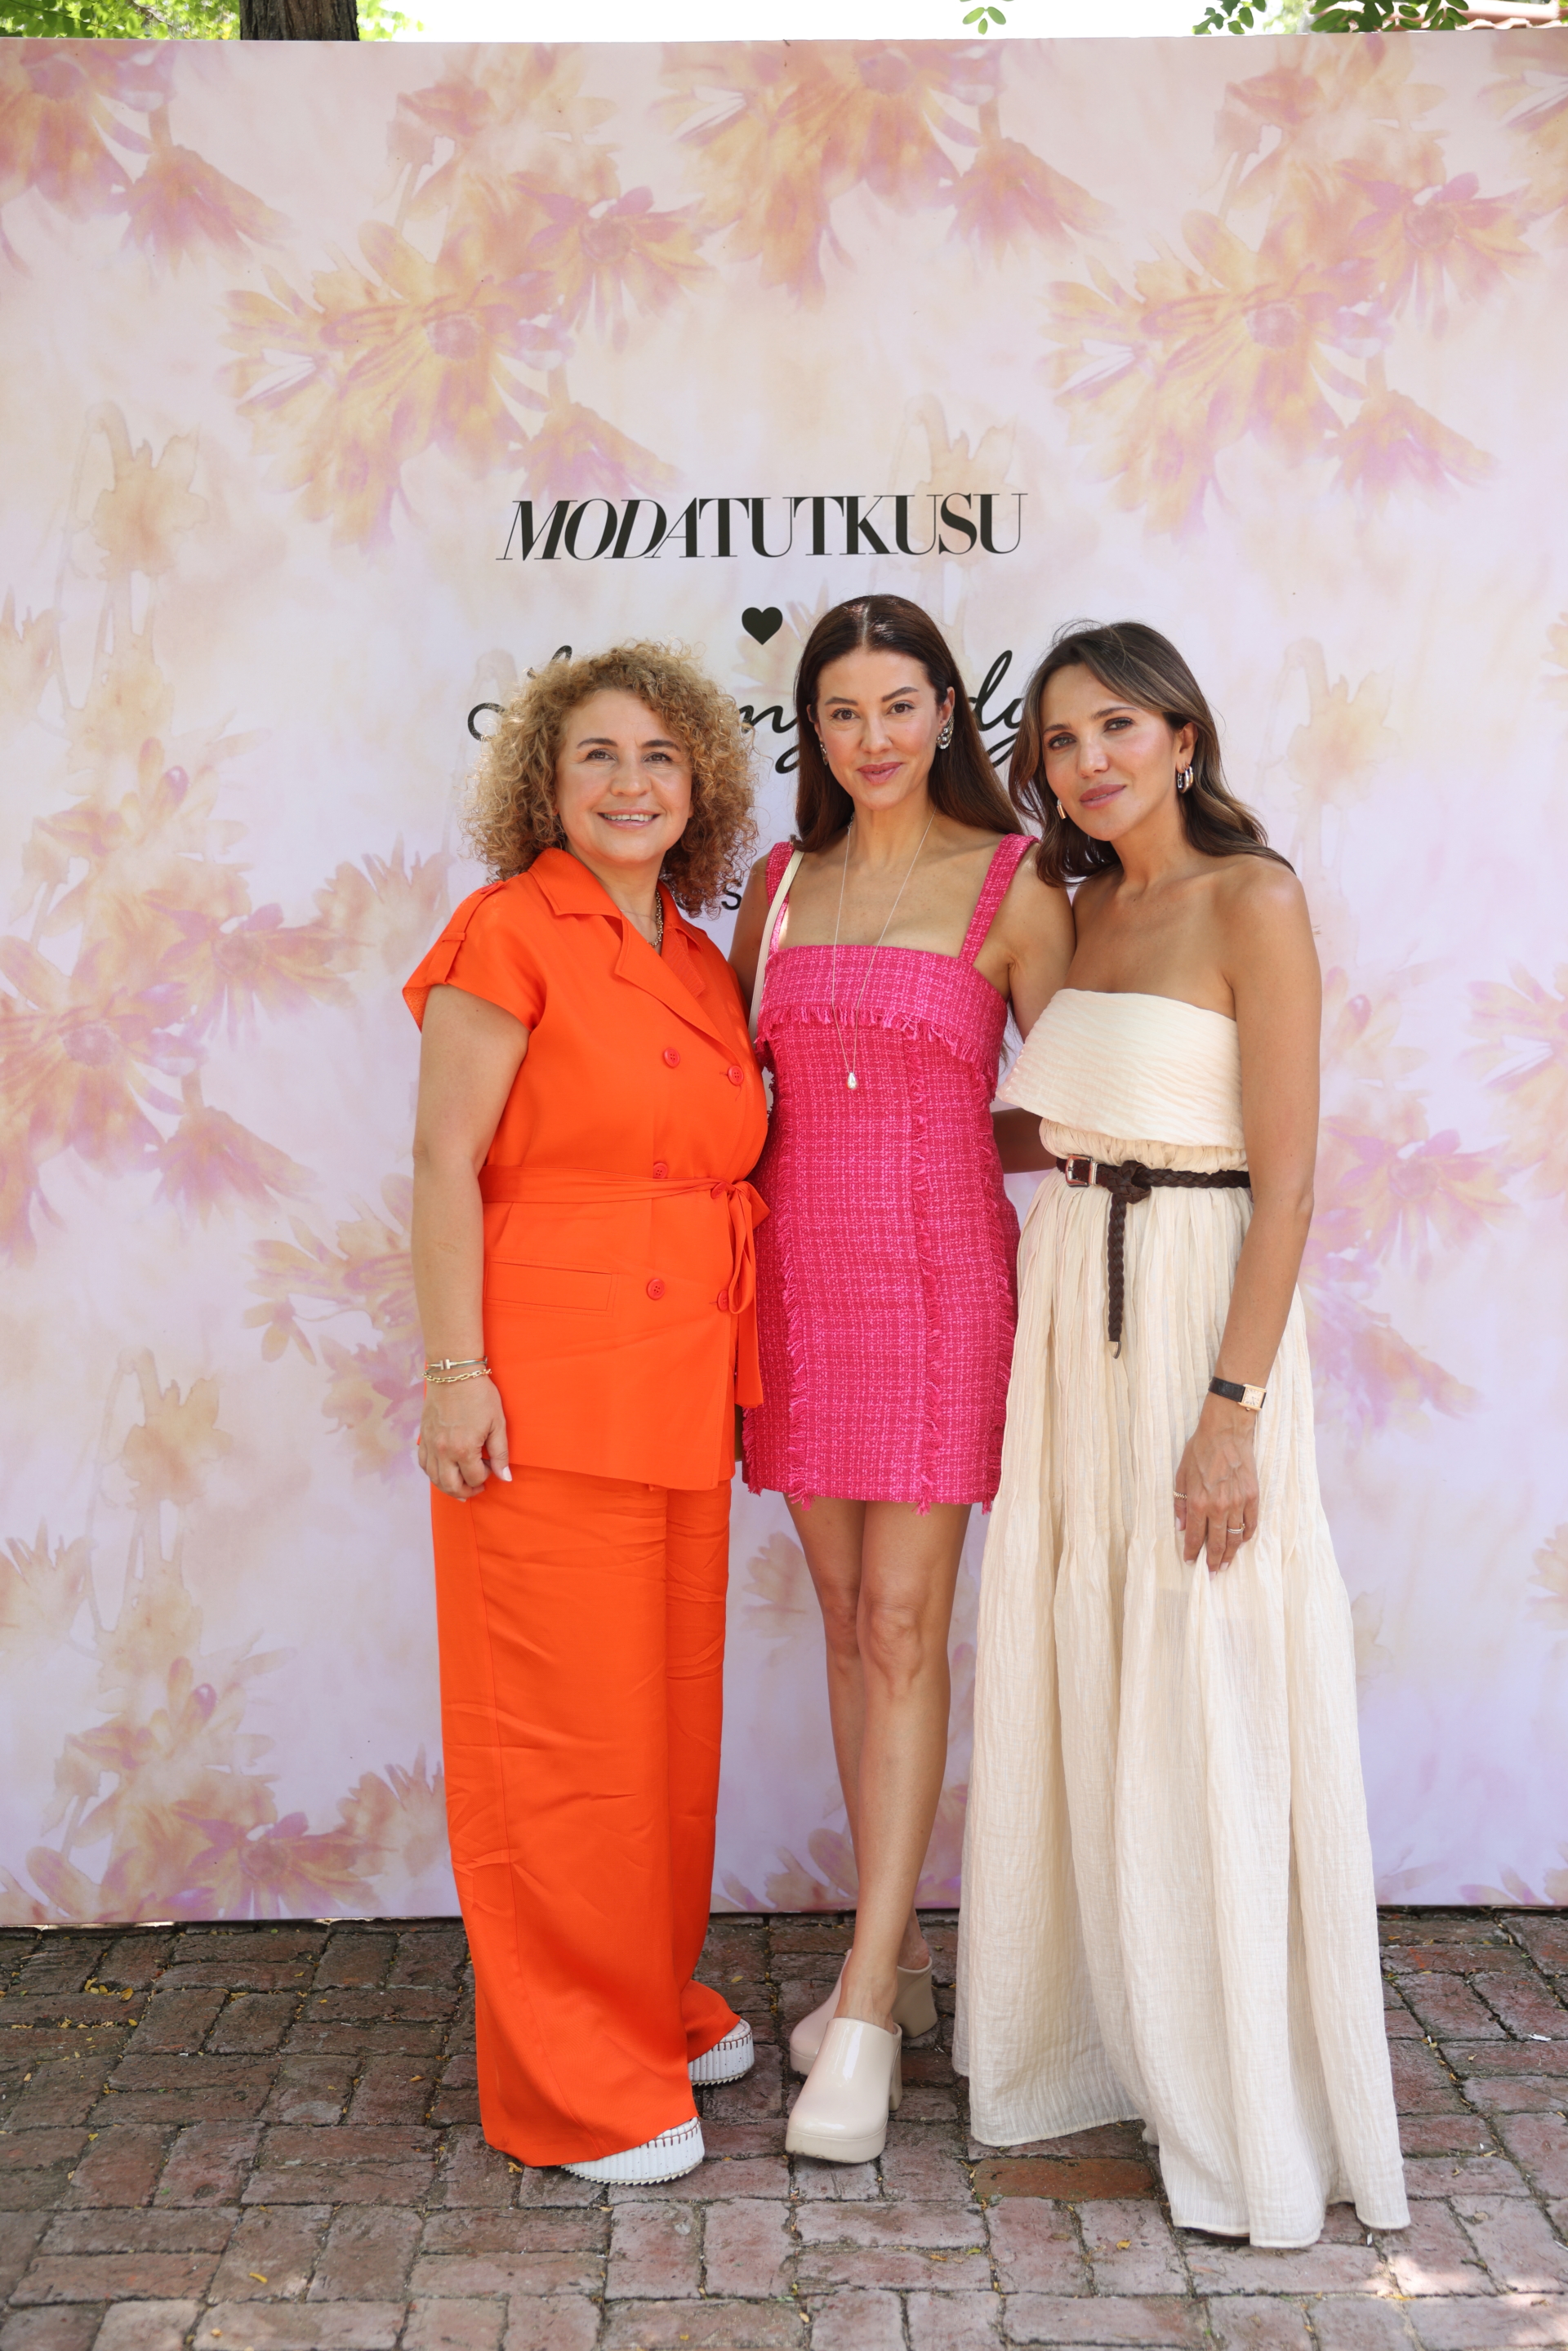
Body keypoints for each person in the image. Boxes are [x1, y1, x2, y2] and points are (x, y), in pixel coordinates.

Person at [956, 621, 1409, 2247]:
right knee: (1086, 1645)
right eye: (1061, 741)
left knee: (1206, 1653)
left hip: (1201, 1306)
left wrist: (1232, 1413)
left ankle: (1236, 2089)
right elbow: (1068, 1118)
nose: (1091, 761)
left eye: (1120, 728)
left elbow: (1286, 1185)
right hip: (1075, 1296)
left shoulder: (1252, 899)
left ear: (1184, 736)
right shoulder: (1074, 907)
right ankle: (1103, 2040)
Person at [403, 643, 768, 2188]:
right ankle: (571, 2081)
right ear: (545, 784)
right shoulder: (507, 931)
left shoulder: (695, 955)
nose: (632, 783)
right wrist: (453, 1373)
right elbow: (442, 1163)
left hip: (680, 1382)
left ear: (700, 788)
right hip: (544, 1391)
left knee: (661, 1733)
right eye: (598, 756)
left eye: (660, 757)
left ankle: (643, 2001)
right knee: (560, 1740)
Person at [729, 594, 1074, 2164]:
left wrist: (929, 1136)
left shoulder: (1017, 882)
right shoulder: (778, 884)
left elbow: (1067, 1105)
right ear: (813, 728)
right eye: (841, 711)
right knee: (843, 1619)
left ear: (947, 712)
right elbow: (738, 1089)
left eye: (898, 705)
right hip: (798, 1286)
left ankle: (864, 1998)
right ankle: (905, 1953)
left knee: (901, 1623)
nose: (871, 738)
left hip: (939, 1283)